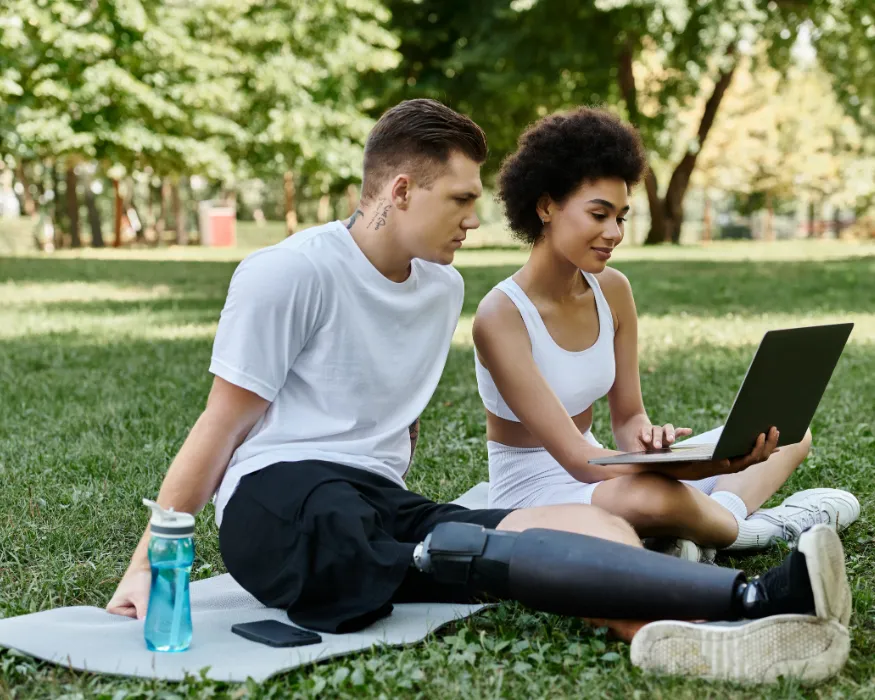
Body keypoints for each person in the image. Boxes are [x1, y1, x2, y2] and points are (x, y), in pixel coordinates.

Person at [107, 99, 850, 682]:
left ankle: (667, 637)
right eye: (459, 200)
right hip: (281, 500)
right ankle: (754, 602)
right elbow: (220, 426)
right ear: (400, 191)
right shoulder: (287, 273)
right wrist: (147, 563)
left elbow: (392, 424)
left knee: (589, 531)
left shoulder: (439, 288)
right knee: (451, 548)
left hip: (373, 498)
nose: (474, 219)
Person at [473, 107, 860, 562]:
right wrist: (694, 467)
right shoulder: (500, 316)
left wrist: (652, 443)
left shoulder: (612, 290)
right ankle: (757, 529)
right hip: (537, 491)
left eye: (620, 217)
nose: (614, 232)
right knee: (651, 498)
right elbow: (578, 459)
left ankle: (704, 523)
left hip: (606, 473)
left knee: (787, 434)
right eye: (599, 214)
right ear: (545, 206)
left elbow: (628, 418)